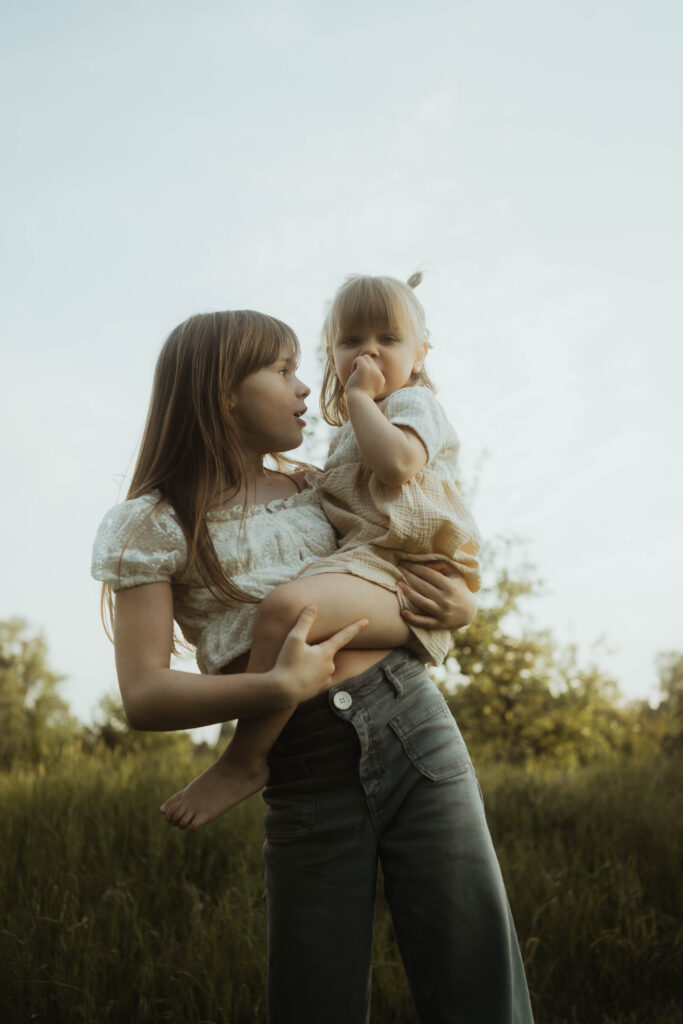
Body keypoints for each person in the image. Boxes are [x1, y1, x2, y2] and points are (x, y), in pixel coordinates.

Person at [92, 295, 534, 1024]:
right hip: (299, 763)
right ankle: (242, 765)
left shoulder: (318, 485)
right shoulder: (151, 523)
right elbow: (144, 696)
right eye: (282, 370)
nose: (306, 387)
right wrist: (274, 686)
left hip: (410, 724)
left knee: (473, 970)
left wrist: (462, 607)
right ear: (223, 392)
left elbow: (391, 562)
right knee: (314, 991)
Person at [161, 272, 482, 832]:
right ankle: (255, 759)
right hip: (367, 569)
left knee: (289, 609)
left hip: (401, 567)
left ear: (421, 353)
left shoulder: (413, 403)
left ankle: (242, 761)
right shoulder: (344, 439)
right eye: (351, 341)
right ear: (332, 353)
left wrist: (466, 605)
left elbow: (399, 465)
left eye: (388, 339)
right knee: (289, 606)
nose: (369, 353)